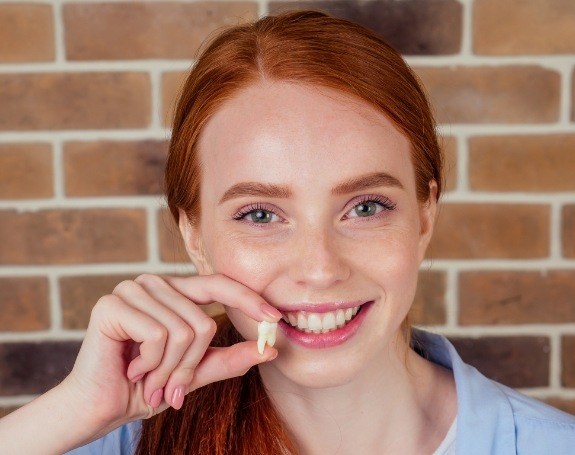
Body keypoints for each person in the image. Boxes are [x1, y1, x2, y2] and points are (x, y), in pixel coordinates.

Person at [1, 10, 574, 455]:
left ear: (425, 217)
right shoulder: (111, 437)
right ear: (194, 236)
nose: (320, 267)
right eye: (260, 215)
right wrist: (74, 410)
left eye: (366, 206)